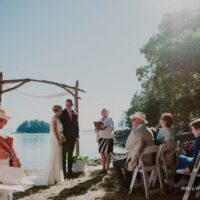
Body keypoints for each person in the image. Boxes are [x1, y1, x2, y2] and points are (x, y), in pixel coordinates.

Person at [113, 112, 154, 192]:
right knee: (125, 161)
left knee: (115, 163)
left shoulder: (136, 131)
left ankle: (123, 186)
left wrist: (133, 130)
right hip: (148, 160)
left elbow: (127, 147)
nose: (132, 121)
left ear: (138, 120)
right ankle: (129, 183)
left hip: (138, 161)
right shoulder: (149, 131)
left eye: (133, 119)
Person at [33, 105, 64, 185]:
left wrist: (62, 137)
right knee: (54, 157)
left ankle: (57, 177)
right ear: (57, 111)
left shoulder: (58, 118)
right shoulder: (54, 118)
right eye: (61, 109)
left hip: (59, 138)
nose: (62, 111)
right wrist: (58, 141)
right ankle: (51, 177)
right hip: (55, 140)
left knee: (58, 157)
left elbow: (59, 130)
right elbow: (54, 131)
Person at [168, 118, 200, 188]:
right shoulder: (197, 140)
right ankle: (179, 179)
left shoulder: (198, 141)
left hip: (197, 166)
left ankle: (175, 179)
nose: (192, 131)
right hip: (198, 164)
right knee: (183, 159)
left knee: (181, 157)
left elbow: (196, 159)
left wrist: (189, 168)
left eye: (193, 129)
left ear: (199, 129)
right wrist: (193, 146)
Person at [0, 109, 21, 198]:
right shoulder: (7, 139)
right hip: (6, 180)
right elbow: (17, 165)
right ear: (5, 122)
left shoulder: (8, 139)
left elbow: (17, 165)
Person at [60, 99, 79, 178]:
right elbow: (60, 126)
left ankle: (70, 171)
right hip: (64, 138)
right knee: (64, 155)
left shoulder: (75, 113)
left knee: (70, 154)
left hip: (73, 137)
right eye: (66, 104)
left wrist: (77, 135)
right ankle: (64, 172)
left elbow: (76, 125)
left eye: (69, 104)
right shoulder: (62, 113)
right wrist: (62, 136)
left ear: (71, 105)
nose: (67, 106)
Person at [95, 108, 114, 174]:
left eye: (104, 112)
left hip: (108, 138)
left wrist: (105, 127)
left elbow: (112, 128)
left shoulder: (109, 119)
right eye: (102, 112)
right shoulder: (99, 120)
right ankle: (103, 168)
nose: (103, 113)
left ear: (107, 113)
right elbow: (97, 130)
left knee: (107, 153)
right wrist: (96, 129)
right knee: (102, 154)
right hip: (101, 138)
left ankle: (107, 169)